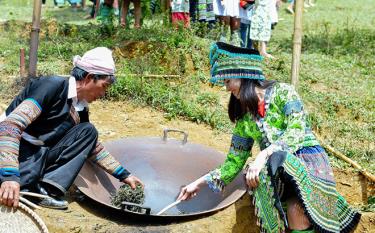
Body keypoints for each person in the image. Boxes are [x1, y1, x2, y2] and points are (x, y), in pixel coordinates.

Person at [177, 42, 361, 232]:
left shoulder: (284, 92)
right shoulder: (244, 119)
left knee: (294, 203)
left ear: (243, 76)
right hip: (276, 171)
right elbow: (233, 162)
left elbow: (296, 131)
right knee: (292, 211)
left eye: (227, 81)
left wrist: (263, 155)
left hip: (306, 161)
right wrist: (197, 184)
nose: (226, 88)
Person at [0, 47, 144, 210]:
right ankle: (25, 185)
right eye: (104, 86)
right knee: (17, 184)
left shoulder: (80, 107)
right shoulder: (52, 86)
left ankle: (45, 190)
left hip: (37, 152)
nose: (104, 94)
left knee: (88, 132)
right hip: (10, 149)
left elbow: (93, 148)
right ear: (90, 77)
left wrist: (124, 175)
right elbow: (9, 127)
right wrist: (9, 175)